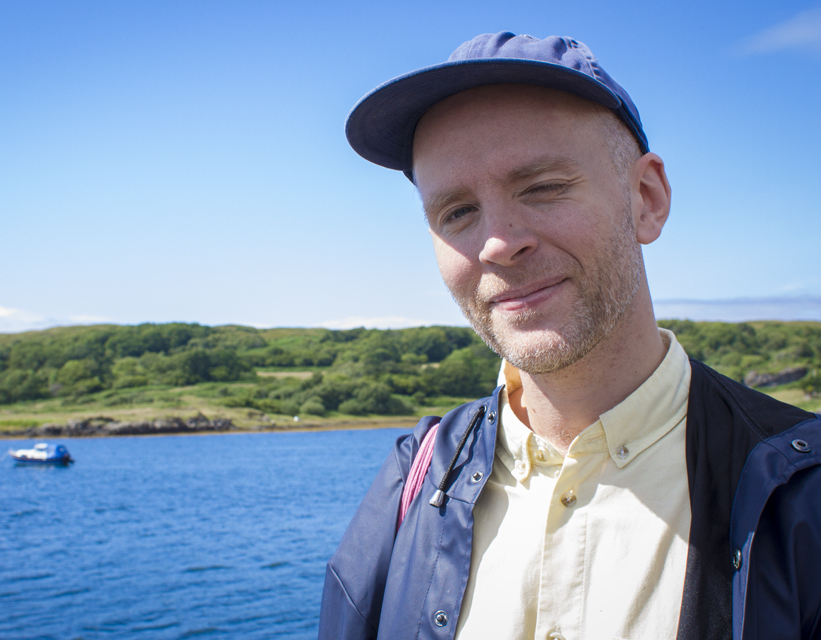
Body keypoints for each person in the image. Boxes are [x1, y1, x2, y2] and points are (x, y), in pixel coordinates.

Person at [319, 31, 821, 640]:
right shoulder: (413, 484)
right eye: (456, 212)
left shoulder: (802, 496)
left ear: (647, 197)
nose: (499, 243)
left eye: (543, 187)